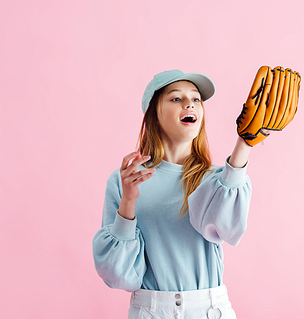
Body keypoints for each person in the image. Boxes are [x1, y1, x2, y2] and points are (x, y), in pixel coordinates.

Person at [93, 69, 264, 319]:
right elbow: (119, 275)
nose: (189, 104)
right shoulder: (125, 180)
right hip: (150, 311)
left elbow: (228, 228)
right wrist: (128, 200)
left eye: (196, 99)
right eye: (176, 98)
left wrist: (245, 143)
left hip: (209, 309)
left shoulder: (216, 179)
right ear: (155, 113)